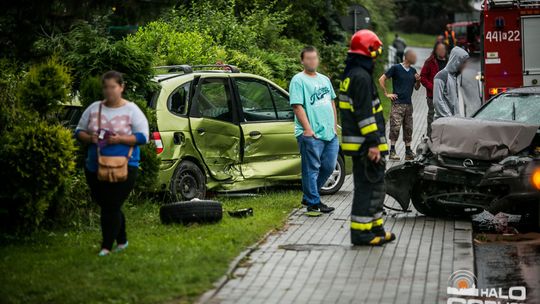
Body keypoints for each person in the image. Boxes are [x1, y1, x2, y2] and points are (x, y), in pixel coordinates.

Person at [75, 71, 149, 257]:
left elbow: (143, 137)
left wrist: (120, 139)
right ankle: (122, 241)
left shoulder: (131, 110)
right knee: (108, 205)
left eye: (113, 87)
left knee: (112, 205)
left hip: (125, 165)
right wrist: (91, 138)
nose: (109, 91)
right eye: (106, 87)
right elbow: (78, 132)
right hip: (95, 165)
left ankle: (106, 247)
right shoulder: (94, 109)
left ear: (121, 87)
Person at [338, 29, 394, 246]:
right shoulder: (360, 77)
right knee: (366, 189)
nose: (376, 56)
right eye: (374, 52)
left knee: (376, 188)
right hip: (366, 147)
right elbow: (364, 116)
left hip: (365, 145)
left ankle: (375, 229)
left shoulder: (353, 75)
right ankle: (361, 234)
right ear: (367, 51)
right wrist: (373, 145)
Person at [290, 46, 339, 214]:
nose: (312, 61)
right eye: (308, 58)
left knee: (328, 166)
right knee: (311, 169)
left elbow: (332, 102)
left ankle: (310, 196)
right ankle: (313, 203)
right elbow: (297, 106)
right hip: (310, 134)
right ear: (302, 61)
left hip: (329, 133)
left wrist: (334, 126)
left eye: (314, 58)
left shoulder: (325, 79)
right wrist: (308, 129)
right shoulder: (298, 80)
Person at [378, 48, 421, 161]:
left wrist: (418, 81)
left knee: (408, 128)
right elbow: (381, 79)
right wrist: (387, 94)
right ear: (406, 57)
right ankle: (392, 151)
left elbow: (417, 88)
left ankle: (408, 152)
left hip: (408, 105)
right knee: (395, 128)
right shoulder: (396, 68)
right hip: (397, 104)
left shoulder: (413, 71)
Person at [433, 47, 469, 119]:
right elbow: (437, 101)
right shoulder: (441, 76)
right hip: (444, 122)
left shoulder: (454, 77)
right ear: (457, 61)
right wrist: (449, 118)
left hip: (451, 121)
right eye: (463, 62)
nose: (465, 66)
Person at [420, 42, 447, 137]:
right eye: (439, 49)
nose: (442, 51)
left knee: (445, 117)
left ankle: (443, 138)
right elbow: (422, 77)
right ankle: (430, 137)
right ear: (435, 50)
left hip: (446, 96)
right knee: (432, 117)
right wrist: (433, 88)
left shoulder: (449, 62)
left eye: (443, 49)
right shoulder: (429, 62)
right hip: (432, 96)